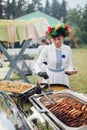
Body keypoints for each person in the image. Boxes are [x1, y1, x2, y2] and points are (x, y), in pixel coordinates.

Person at [34, 23, 77, 87]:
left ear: (63, 38)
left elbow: (69, 64)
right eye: (54, 39)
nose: (57, 42)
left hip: (63, 78)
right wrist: (39, 72)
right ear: (51, 39)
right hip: (49, 77)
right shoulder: (46, 48)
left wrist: (70, 71)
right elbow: (37, 64)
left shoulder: (67, 49)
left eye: (59, 39)